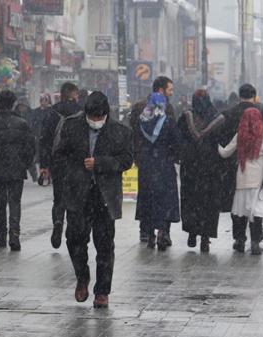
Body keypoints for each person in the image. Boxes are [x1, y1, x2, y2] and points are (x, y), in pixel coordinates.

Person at [53, 91, 133, 308]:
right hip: (78, 193)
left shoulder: (120, 131)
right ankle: (82, 277)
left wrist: (101, 163)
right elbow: (59, 155)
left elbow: (126, 160)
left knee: (105, 245)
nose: (95, 121)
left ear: (106, 114)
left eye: (99, 117)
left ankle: (102, 291)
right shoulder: (71, 126)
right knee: (75, 239)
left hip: (104, 196)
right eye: (92, 117)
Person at [200, 84, 263, 248]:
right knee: (255, 204)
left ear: (239, 96)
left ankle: (239, 237)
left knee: (237, 204)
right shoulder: (262, 113)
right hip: (258, 167)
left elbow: (222, 139)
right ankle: (256, 237)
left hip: (233, 164)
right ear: (254, 95)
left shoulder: (228, 114)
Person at [218, 108, 263, 256]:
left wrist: (215, 144)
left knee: (240, 212)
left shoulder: (241, 134)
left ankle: (240, 240)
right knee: (256, 213)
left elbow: (225, 153)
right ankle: (255, 242)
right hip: (260, 179)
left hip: (243, 178)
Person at [0, 90, 36, 251]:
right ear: (13, 103)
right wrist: (25, 164)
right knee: (15, 202)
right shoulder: (22, 124)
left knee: (0, 202)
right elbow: (30, 148)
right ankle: (14, 235)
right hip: (16, 168)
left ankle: (1, 235)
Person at [128, 76, 176, 243]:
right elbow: (172, 135)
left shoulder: (139, 108)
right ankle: (164, 230)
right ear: (161, 90)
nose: (171, 93)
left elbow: (132, 133)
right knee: (164, 196)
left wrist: (136, 155)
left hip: (145, 159)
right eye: (169, 90)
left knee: (146, 194)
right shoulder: (167, 108)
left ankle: (146, 230)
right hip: (163, 160)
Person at [179, 90, 226, 253]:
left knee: (191, 200)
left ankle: (192, 232)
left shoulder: (186, 118)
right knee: (209, 203)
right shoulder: (217, 118)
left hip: (190, 168)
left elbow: (179, 140)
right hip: (211, 168)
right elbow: (223, 141)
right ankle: (205, 238)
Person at [134, 92, 182, 250]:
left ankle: (150, 235)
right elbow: (178, 143)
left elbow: (135, 142)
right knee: (165, 198)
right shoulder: (168, 122)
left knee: (148, 197)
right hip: (164, 165)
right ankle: (163, 231)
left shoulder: (140, 121)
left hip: (146, 166)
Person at [39, 82, 81, 249]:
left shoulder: (51, 112)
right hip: (76, 163)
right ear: (72, 95)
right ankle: (71, 229)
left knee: (58, 198)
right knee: (74, 198)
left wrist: (44, 165)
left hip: (58, 162)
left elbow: (44, 140)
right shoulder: (80, 112)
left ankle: (57, 222)